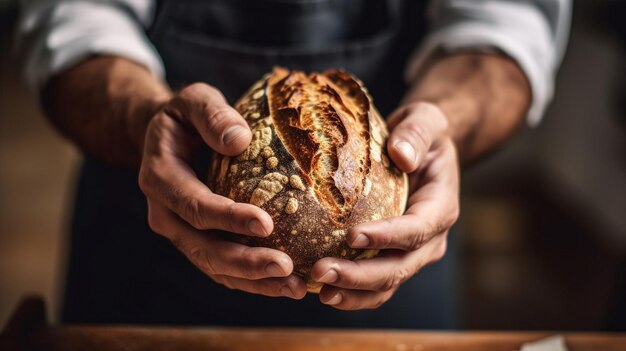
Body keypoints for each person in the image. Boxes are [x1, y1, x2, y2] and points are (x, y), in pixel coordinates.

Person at [17, 0, 570, 328]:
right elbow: (70, 17)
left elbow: (506, 26)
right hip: (148, 221)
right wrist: (144, 119)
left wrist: (440, 126)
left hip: (393, 246)